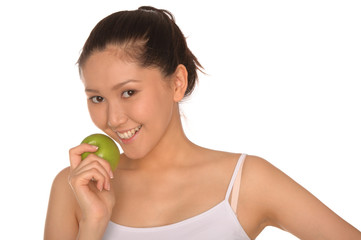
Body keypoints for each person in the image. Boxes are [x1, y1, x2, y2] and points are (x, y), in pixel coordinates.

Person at [44, 6, 361, 240]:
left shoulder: (243, 182)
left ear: (177, 83)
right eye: (97, 98)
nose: (113, 119)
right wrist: (93, 224)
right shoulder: (75, 187)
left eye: (129, 92)